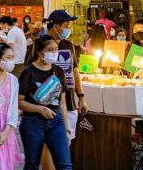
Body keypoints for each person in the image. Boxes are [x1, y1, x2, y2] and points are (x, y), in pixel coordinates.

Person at [18, 35, 72, 170]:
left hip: (56, 122)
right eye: (50, 50)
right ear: (39, 52)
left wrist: (66, 129)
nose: (54, 53)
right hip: (33, 122)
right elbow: (19, 102)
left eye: (56, 49)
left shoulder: (58, 71)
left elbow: (63, 103)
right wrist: (40, 109)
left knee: (65, 165)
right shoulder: (28, 73)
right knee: (32, 165)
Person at [44, 10, 87, 170]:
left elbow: (74, 71)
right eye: (66, 26)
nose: (69, 29)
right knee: (48, 146)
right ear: (56, 26)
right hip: (48, 105)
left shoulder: (68, 45)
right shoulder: (39, 44)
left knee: (65, 143)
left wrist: (81, 96)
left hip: (69, 103)